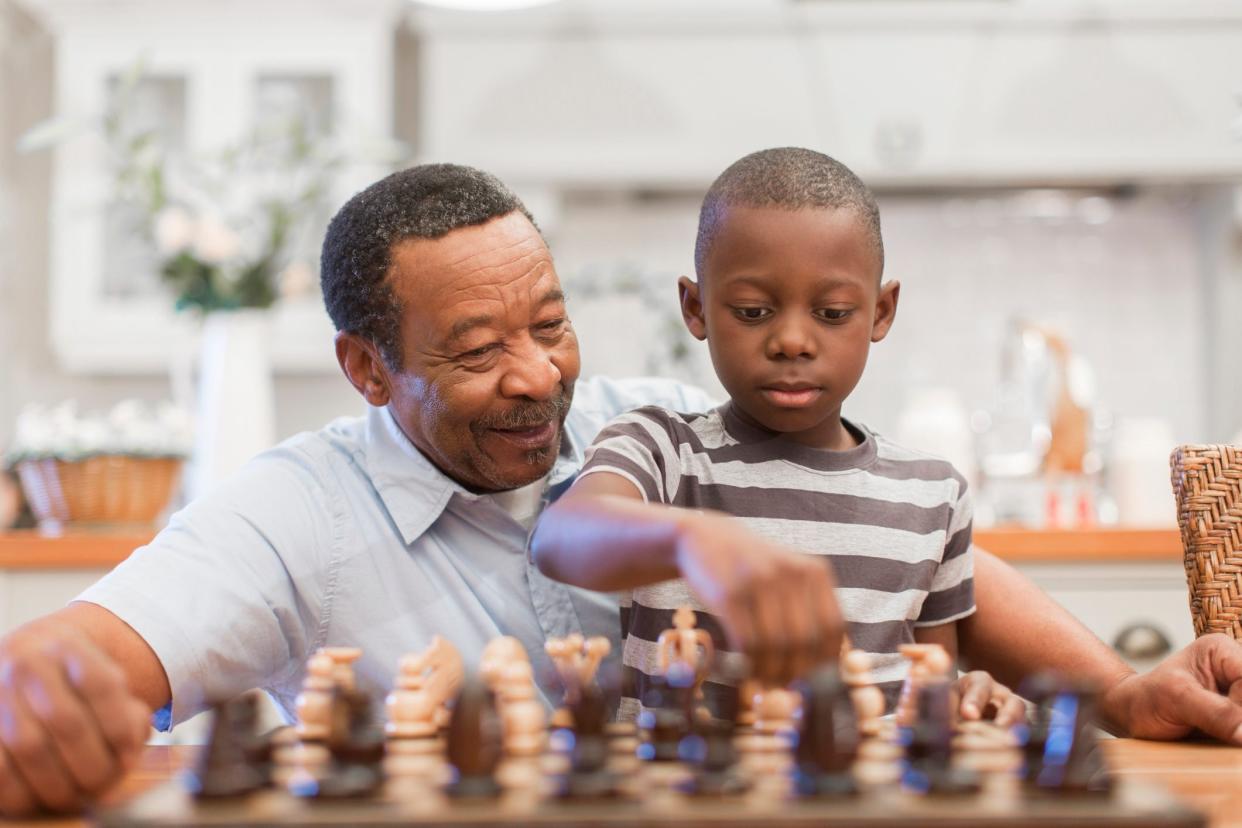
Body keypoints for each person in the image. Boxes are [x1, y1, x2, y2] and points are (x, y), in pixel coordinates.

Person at [1, 163, 1241, 818]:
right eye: (478, 351)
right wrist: (36, 699)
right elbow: (77, 657)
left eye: (551, 323)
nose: (538, 377)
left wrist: (1120, 686)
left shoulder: (649, 422)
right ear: (367, 369)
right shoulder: (291, 516)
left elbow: (921, 549)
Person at [531, 147, 1002, 719]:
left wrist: (967, 697)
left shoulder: (933, 495)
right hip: (680, 805)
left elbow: (930, 688)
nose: (792, 341)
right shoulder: (659, 451)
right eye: (753, 311)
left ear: (880, 312)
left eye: (831, 313)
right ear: (696, 307)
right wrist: (690, 540)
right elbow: (560, 539)